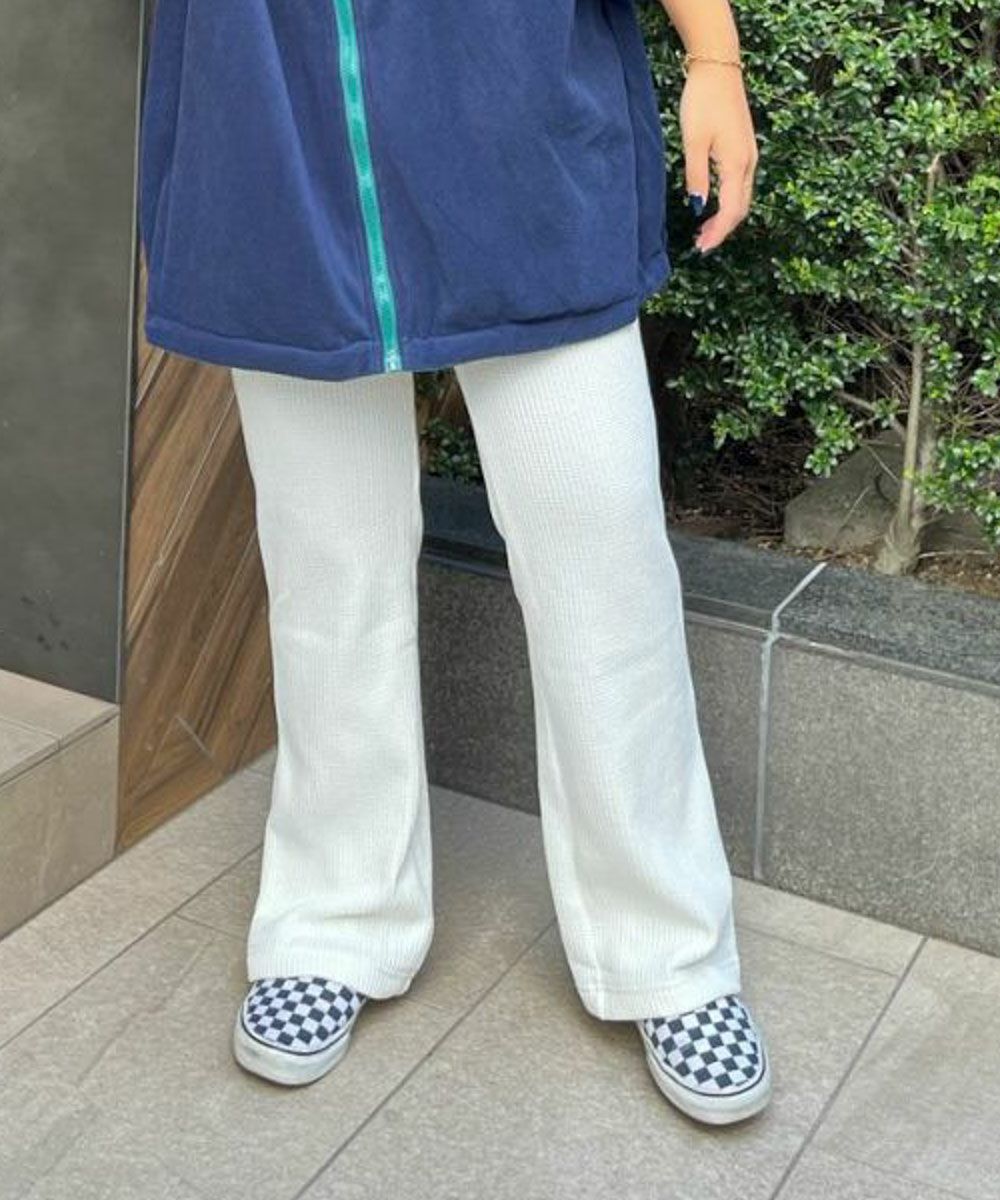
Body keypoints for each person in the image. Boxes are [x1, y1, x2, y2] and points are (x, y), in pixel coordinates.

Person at [138, 0, 770, 1125]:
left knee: (603, 567)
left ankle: (667, 948)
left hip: (517, 115)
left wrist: (711, 53)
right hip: (269, 136)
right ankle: (333, 920)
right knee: (327, 575)